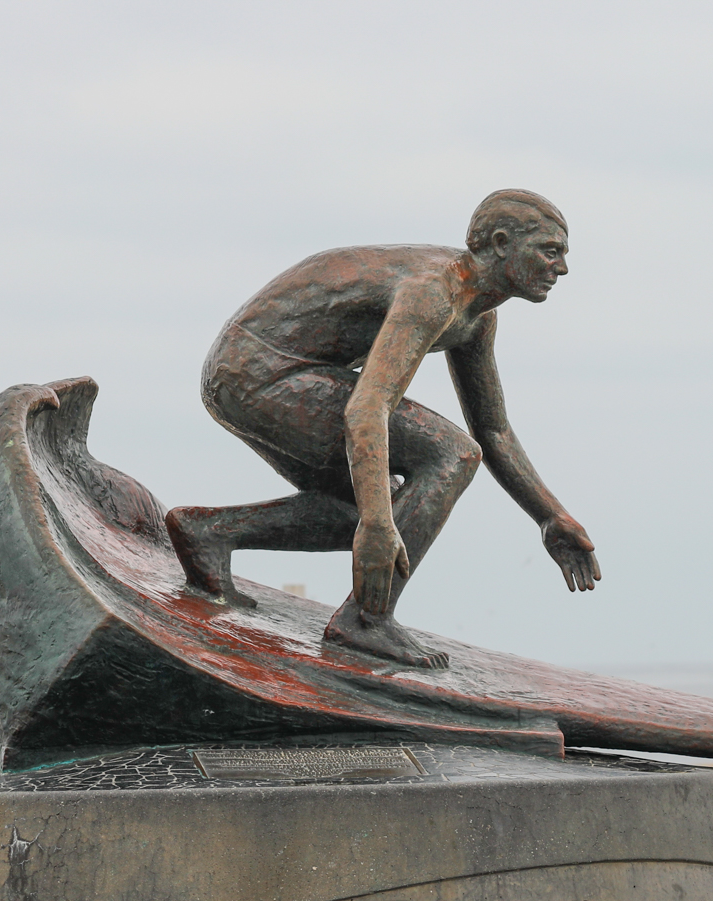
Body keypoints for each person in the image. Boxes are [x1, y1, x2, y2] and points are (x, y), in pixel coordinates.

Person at [166, 190, 600, 670]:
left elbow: (494, 431)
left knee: (377, 505)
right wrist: (377, 526)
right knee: (450, 455)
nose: (560, 269)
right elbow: (367, 408)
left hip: (249, 372)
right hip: (259, 370)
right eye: (549, 251)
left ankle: (208, 533)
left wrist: (550, 516)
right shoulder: (434, 291)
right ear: (501, 243)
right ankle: (368, 620)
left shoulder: (477, 315)